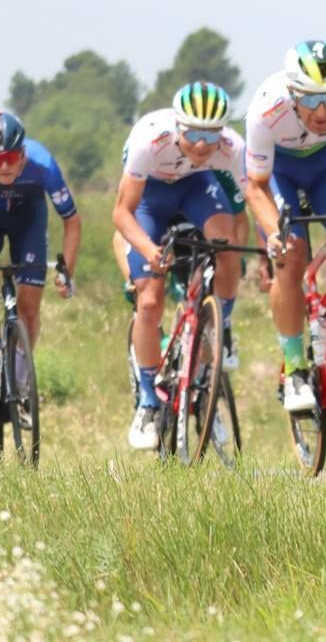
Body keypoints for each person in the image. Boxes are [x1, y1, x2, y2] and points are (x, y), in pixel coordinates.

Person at [112, 82, 246, 450]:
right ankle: (148, 402)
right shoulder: (150, 140)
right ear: (177, 126)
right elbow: (122, 213)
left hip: (194, 187)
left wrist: (275, 238)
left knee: (228, 242)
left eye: (211, 134)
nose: (202, 145)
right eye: (193, 134)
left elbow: (254, 197)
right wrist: (150, 250)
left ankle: (222, 326)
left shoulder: (233, 147)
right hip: (149, 199)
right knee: (151, 300)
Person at [244, 41, 326, 415]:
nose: (323, 111)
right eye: (311, 100)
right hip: (280, 171)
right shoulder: (265, 110)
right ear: (292, 94)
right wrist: (275, 233)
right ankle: (295, 369)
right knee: (291, 255)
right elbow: (255, 186)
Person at [0, 110, 81, 419]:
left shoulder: (44, 165)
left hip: (29, 218)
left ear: (23, 152)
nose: (5, 166)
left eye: (11, 157)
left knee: (30, 308)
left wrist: (67, 271)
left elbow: (72, 221)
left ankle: (21, 386)